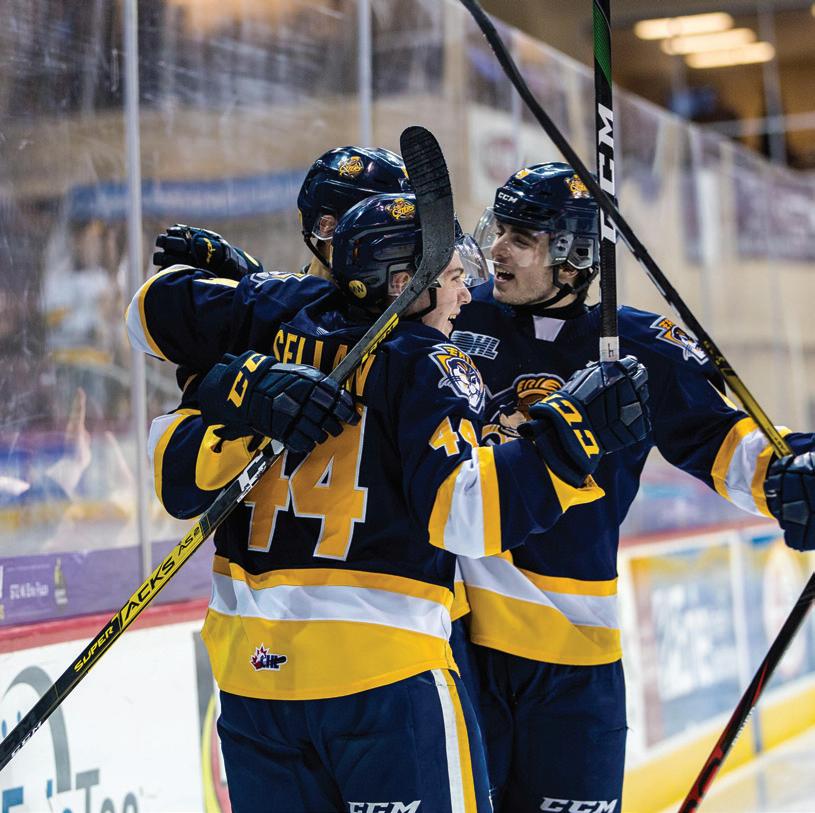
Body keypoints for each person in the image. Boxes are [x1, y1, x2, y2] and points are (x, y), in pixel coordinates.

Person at [129, 191, 650, 812]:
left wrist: (235, 389)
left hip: (253, 683)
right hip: (383, 676)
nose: (466, 295)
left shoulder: (264, 341)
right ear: (406, 285)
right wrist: (568, 439)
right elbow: (466, 516)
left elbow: (173, 471)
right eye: (453, 278)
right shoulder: (429, 360)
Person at [446, 162, 815, 812]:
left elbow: (723, 441)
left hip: (574, 653)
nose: (496, 249)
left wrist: (794, 474)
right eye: (498, 228)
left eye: (520, 238)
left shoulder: (634, 348)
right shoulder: (454, 317)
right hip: (458, 643)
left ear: (572, 258)